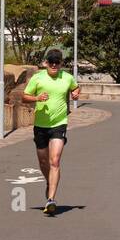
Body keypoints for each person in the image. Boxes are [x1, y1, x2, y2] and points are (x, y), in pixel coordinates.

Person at [22, 48, 79, 215]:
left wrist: (75, 94)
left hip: (59, 124)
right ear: (46, 63)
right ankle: (49, 181)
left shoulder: (67, 78)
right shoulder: (38, 78)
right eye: (51, 62)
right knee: (43, 162)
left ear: (61, 63)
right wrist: (37, 98)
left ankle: (51, 199)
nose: (54, 65)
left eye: (57, 62)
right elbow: (25, 97)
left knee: (55, 161)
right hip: (40, 125)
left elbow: (75, 88)